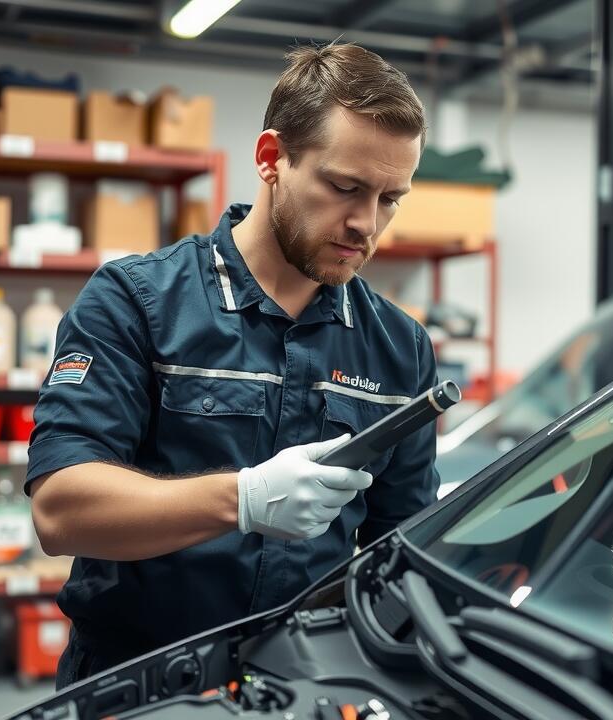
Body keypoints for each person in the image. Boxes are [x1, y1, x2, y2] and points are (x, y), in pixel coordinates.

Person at [25, 42, 437, 688]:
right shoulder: (136, 303)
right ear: (272, 159)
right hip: (140, 689)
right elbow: (61, 509)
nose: (366, 223)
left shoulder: (399, 349)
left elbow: (402, 552)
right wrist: (241, 499)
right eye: (345, 187)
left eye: (390, 198)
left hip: (303, 689)